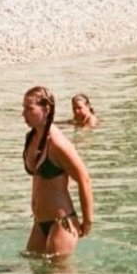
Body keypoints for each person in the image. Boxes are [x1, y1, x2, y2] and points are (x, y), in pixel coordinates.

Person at [21, 85, 94, 257]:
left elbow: (84, 179)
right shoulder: (31, 138)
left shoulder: (57, 143)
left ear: (46, 109)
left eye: (29, 109)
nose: (23, 114)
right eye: (23, 108)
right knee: (36, 273)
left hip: (62, 223)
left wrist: (88, 221)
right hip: (40, 223)